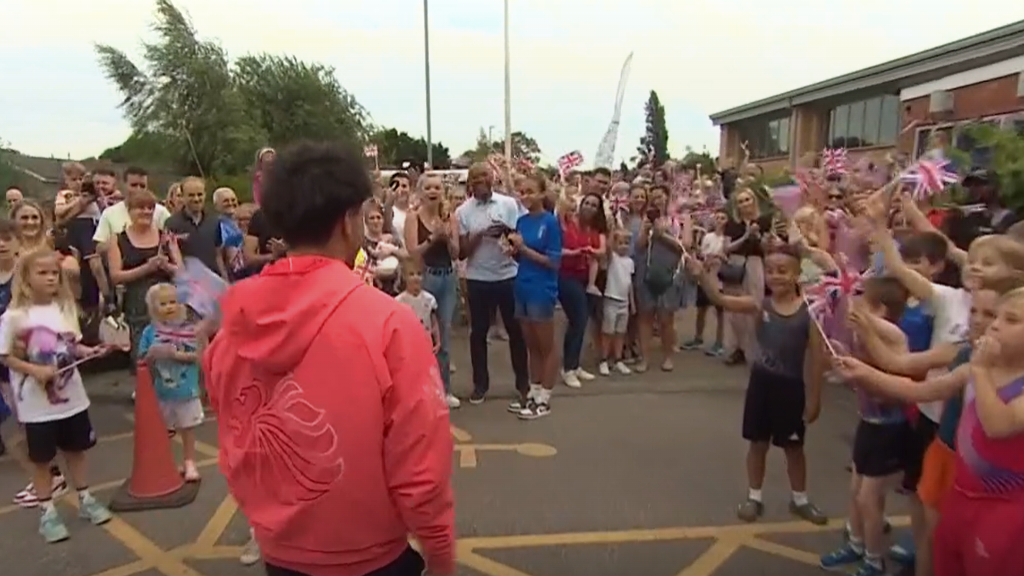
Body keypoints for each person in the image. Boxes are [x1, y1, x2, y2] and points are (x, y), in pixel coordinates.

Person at [203, 141, 455, 576]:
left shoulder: (233, 323)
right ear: (349, 220)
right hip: (373, 554)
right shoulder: (388, 323)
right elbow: (419, 462)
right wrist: (440, 550)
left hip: (281, 551)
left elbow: (231, 433)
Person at [691, 244, 828, 525]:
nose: (775, 276)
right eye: (770, 271)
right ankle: (754, 496)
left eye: (783, 271)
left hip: (791, 388)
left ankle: (800, 499)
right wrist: (702, 275)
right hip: (762, 384)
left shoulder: (811, 312)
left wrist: (814, 399)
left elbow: (817, 359)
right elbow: (720, 299)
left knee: (794, 447)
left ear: (797, 274)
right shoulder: (759, 303)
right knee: (757, 443)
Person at [0, 248, 113, 542]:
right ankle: (47, 511)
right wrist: (33, 370)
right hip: (36, 405)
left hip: (72, 397)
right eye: (43, 273)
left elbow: (71, 345)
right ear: (25, 278)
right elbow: (5, 356)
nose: (51, 278)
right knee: (42, 460)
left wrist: (89, 350)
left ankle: (86, 498)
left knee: (76, 450)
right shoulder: (13, 316)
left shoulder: (64, 308)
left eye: (54, 273)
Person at [455, 162, 529, 406]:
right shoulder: (463, 212)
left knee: (516, 332)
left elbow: (520, 235)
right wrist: (479, 234)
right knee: (478, 334)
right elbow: (462, 252)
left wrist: (506, 231)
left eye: (485, 176)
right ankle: (480, 385)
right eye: (476, 178)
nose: (481, 181)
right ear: (470, 182)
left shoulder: (509, 204)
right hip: (478, 278)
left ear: (492, 178)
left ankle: (523, 383)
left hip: (508, 275)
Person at [403, 174, 459, 408]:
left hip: (447, 278)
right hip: (425, 278)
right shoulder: (413, 217)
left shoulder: (450, 218)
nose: (433, 191)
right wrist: (432, 239)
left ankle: (444, 389)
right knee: (420, 336)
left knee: (442, 336)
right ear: (421, 191)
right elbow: (412, 252)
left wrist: (446, 239)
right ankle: (417, 390)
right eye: (428, 187)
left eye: (437, 187)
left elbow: (456, 254)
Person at [508, 174, 562, 420]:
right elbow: (520, 256)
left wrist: (524, 249)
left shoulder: (550, 222)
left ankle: (546, 398)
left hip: (542, 288)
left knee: (546, 345)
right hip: (523, 285)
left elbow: (553, 261)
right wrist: (512, 251)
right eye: (522, 192)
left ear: (542, 193)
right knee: (531, 345)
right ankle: (534, 391)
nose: (525, 196)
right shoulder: (521, 221)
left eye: (530, 191)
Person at [137, 283, 203, 481]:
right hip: (161, 392)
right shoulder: (149, 332)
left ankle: (189, 461)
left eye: (173, 302)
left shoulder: (188, 329)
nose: (169, 307)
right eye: (163, 303)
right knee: (164, 430)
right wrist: (151, 354)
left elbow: (198, 356)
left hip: (186, 390)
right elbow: (141, 361)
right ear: (153, 307)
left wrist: (176, 354)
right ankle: (167, 462)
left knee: (187, 428)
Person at [682, 210, 727, 356]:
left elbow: (726, 255)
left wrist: (716, 257)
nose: (720, 220)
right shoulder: (708, 237)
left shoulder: (728, 239)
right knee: (701, 309)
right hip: (706, 274)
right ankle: (698, 337)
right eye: (718, 218)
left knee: (720, 310)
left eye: (723, 218)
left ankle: (719, 342)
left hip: (719, 277)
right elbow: (702, 252)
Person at [598, 228, 634, 376]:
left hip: (624, 302)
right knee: (608, 332)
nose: (624, 246)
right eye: (620, 243)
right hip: (611, 299)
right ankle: (604, 360)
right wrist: (612, 232)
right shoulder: (612, 258)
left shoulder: (630, 262)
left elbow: (629, 283)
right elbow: (607, 247)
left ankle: (618, 359)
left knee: (620, 332)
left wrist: (632, 303)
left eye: (626, 243)